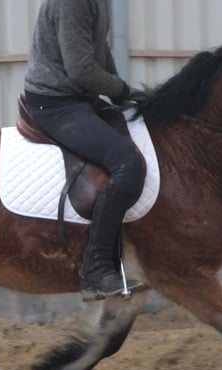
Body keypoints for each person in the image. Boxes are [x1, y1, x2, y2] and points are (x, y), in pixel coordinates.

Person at [24, 0, 146, 302]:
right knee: (127, 163)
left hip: (79, 98)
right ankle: (96, 270)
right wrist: (120, 90)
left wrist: (123, 94)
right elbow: (81, 69)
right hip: (55, 101)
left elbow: (99, 49)